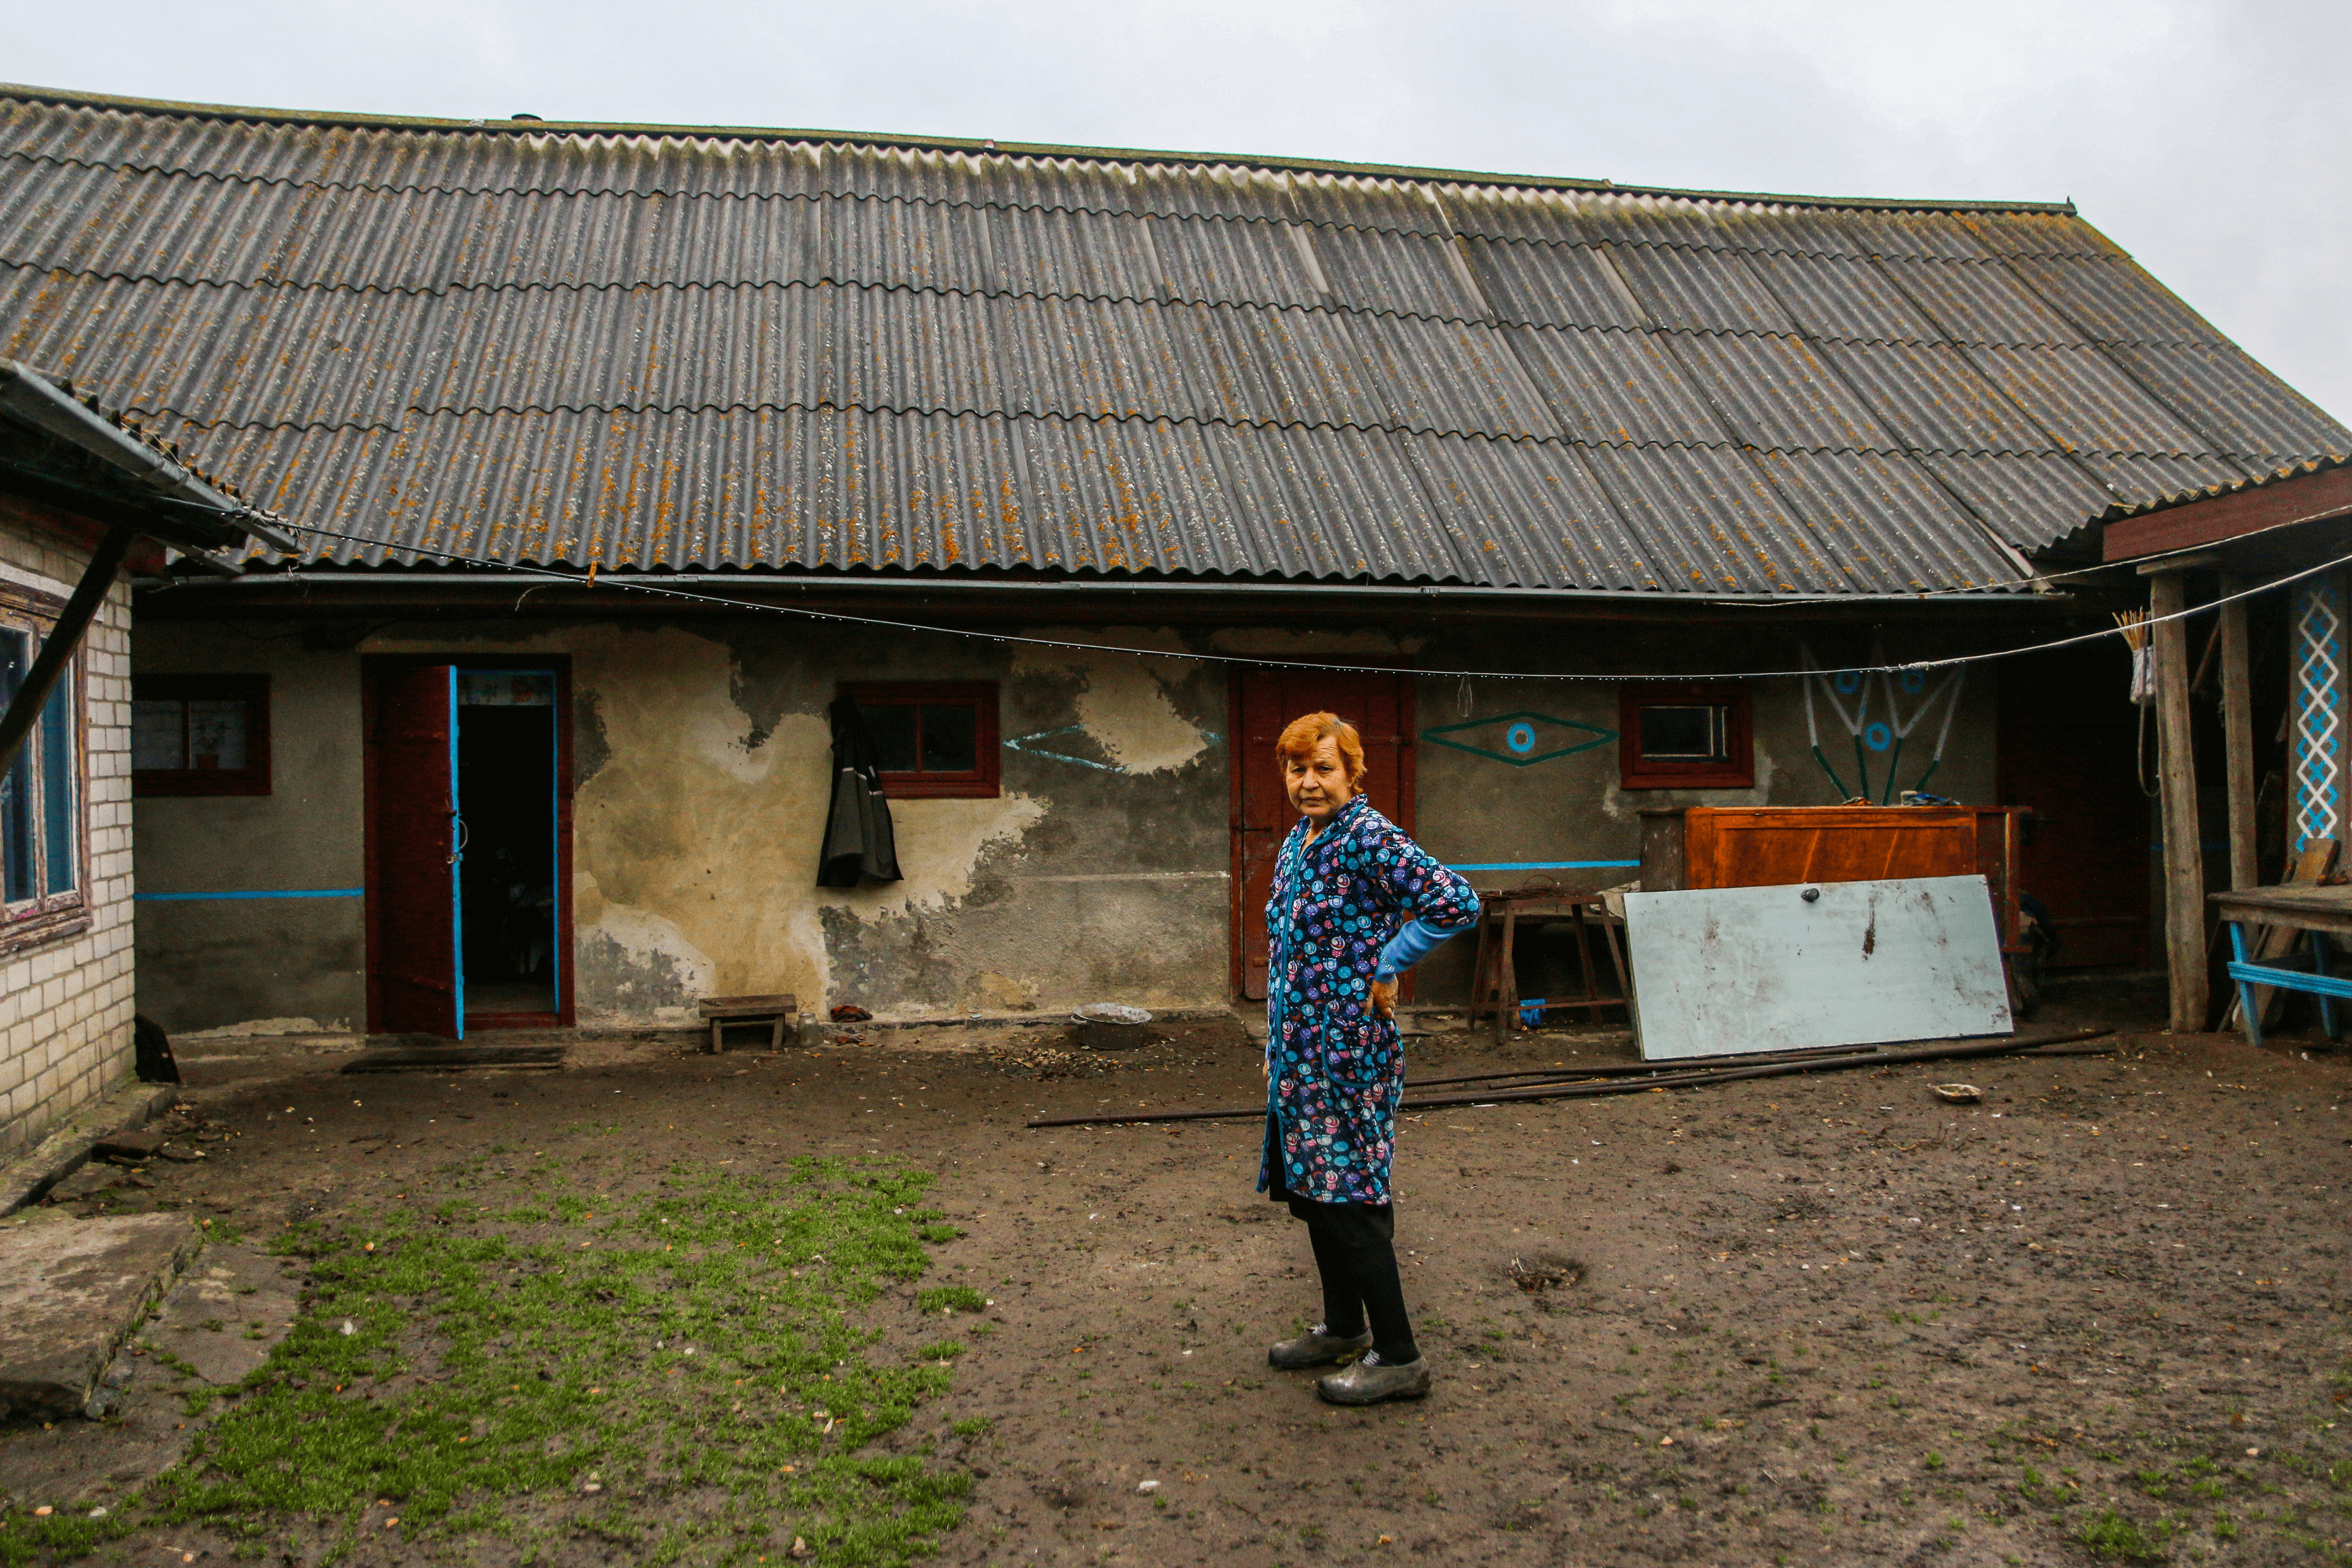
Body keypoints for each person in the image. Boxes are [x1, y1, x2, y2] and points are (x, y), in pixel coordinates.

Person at [1259, 710, 1479, 1404]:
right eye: (1298, 768)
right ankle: (1342, 1327)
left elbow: (1455, 901)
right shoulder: (1302, 839)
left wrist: (1390, 964)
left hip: (1348, 1054)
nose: (1309, 781)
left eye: (1324, 768)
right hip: (1299, 1056)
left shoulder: (1370, 837)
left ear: (1354, 772)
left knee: (1351, 1198)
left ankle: (1399, 1356)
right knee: (1315, 1196)